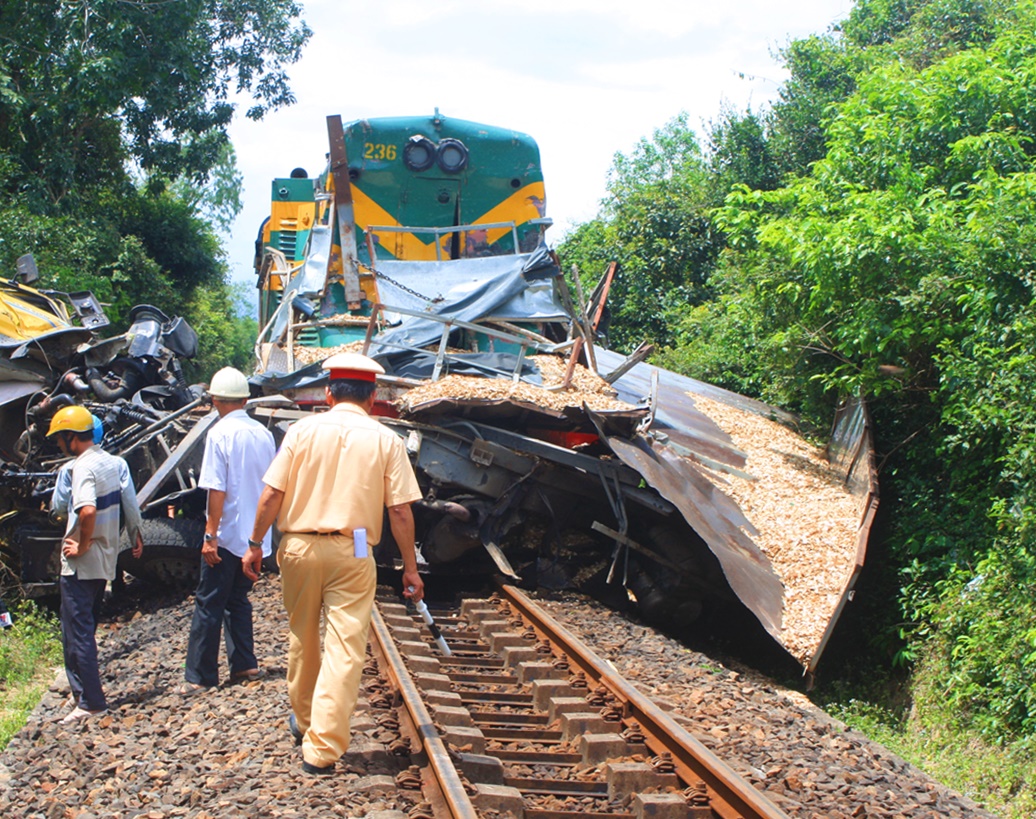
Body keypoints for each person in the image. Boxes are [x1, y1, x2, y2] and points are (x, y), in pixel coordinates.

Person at [247, 352, 424, 776]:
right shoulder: (387, 440)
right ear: (373, 395)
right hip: (355, 551)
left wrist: (254, 543)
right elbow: (400, 511)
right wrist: (410, 567)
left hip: (299, 548)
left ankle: (305, 720)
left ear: (328, 392)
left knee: (302, 635)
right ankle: (321, 749)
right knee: (345, 647)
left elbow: (272, 494)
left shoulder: (301, 431)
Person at [47, 405, 143, 724]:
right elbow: (128, 502)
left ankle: (91, 701)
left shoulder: (81, 468)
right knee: (80, 626)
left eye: (60, 439)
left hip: (82, 562)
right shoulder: (111, 463)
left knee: (78, 632)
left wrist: (82, 543)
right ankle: (83, 697)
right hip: (104, 558)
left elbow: (85, 510)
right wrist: (136, 532)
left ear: (72, 438)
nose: (59, 445)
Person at [182, 367, 276, 694]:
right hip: (255, 536)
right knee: (238, 599)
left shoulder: (220, 434)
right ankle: (245, 664)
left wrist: (210, 536)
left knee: (209, 602)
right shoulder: (263, 434)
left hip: (228, 535)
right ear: (246, 399)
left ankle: (200, 676)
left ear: (215, 401)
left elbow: (216, 490)